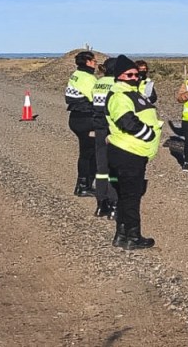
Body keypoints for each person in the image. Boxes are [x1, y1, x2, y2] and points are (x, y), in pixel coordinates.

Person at [104, 55, 162, 250]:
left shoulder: (131, 91)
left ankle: (122, 235)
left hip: (132, 153)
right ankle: (134, 237)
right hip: (128, 153)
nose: (135, 77)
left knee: (125, 196)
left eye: (137, 74)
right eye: (130, 74)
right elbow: (126, 121)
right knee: (131, 197)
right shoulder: (119, 95)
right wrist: (149, 134)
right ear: (120, 76)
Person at [64, 50, 98, 197]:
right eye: (94, 61)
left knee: (86, 153)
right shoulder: (88, 78)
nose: (96, 64)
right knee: (89, 154)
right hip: (86, 119)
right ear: (88, 62)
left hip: (76, 118)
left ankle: (83, 185)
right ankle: (83, 186)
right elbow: (96, 99)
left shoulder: (76, 75)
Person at [91, 58, 118, 219]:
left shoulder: (98, 83)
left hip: (99, 127)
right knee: (114, 168)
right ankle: (114, 205)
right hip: (113, 128)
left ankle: (101, 205)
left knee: (101, 168)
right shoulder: (116, 85)